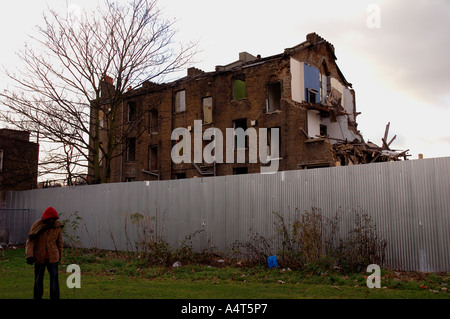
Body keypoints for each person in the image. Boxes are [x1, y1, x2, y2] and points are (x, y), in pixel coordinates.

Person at [25, 207, 64, 299]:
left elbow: (59, 243)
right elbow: (30, 241)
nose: (51, 220)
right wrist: (29, 255)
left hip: (53, 257)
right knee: (38, 279)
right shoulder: (37, 225)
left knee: (54, 279)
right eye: (49, 218)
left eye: (53, 219)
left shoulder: (57, 226)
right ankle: (37, 297)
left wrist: (60, 256)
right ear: (45, 218)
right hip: (39, 257)